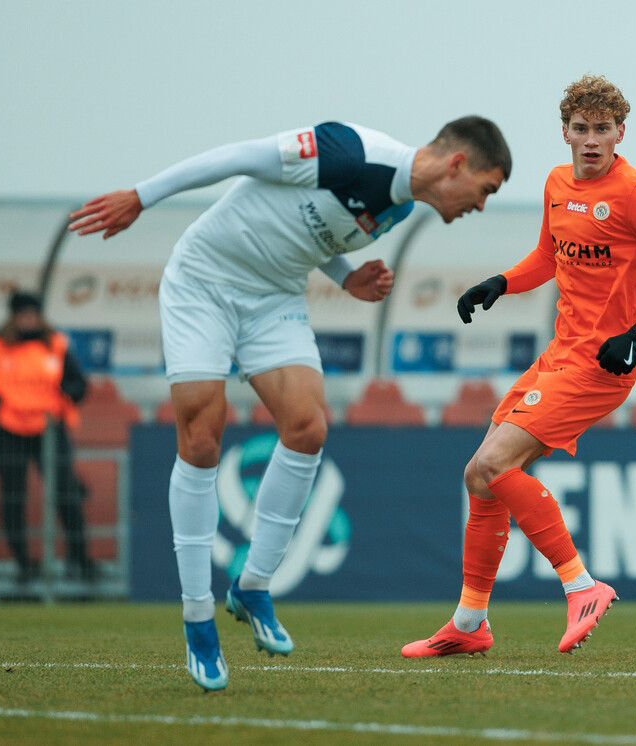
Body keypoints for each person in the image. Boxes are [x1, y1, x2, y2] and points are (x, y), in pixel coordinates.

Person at [69, 116, 511, 691]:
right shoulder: (347, 151)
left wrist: (347, 277)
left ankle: (252, 584)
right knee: (202, 438)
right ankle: (198, 617)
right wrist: (141, 197)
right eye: (486, 189)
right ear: (457, 165)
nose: (481, 205)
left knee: (307, 428)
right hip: (205, 281)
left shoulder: (399, 209)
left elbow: (314, 236)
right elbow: (237, 156)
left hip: (273, 297)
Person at [402, 75, 636, 658]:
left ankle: (581, 585)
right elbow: (549, 256)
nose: (591, 140)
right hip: (557, 356)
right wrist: (501, 282)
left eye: (602, 130)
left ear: (621, 133)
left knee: (493, 463)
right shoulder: (556, 183)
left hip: (602, 364)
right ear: (565, 131)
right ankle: (470, 625)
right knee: (479, 475)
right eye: (581, 128)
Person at [0, 290, 96, 584]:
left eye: (32, 315)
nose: (28, 320)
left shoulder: (56, 345)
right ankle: (25, 564)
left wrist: (61, 396)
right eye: (23, 315)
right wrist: (2, 402)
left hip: (49, 429)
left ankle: (81, 561)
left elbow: (78, 384)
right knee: (13, 497)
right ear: (13, 317)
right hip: (7, 431)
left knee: (66, 493)